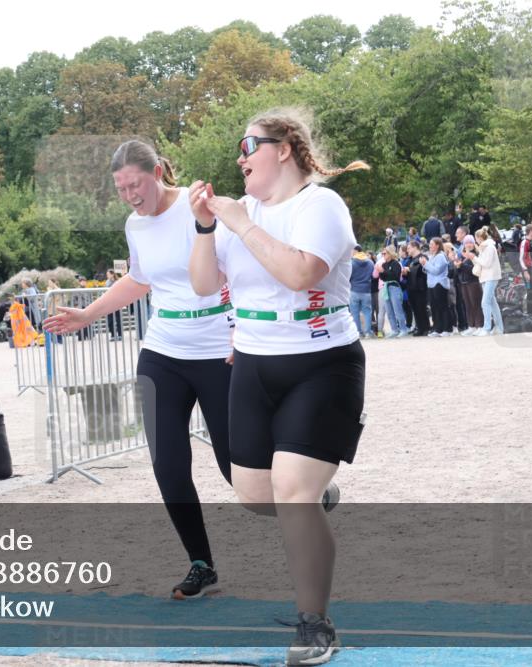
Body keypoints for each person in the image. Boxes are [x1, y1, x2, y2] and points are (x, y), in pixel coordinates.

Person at [188, 107, 368, 666]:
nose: (239, 158)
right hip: (253, 363)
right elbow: (203, 285)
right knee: (253, 494)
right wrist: (205, 227)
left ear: (283, 149)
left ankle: (316, 625)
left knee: (291, 493)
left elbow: (300, 273)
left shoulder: (320, 205)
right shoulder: (242, 216)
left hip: (321, 362)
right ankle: (316, 497)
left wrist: (240, 223)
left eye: (249, 146)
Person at [43, 140, 238, 602]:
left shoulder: (198, 205)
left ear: (157, 173)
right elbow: (140, 278)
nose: (130, 196)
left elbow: (239, 269)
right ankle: (201, 563)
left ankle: (302, 496)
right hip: (162, 351)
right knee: (167, 464)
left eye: (136, 185)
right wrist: (88, 314)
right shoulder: (135, 225)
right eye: (121, 189)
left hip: (218, 348)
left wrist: (242, 329)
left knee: (236, 465)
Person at [469, 226, 504, 335]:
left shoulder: (489, 247)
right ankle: (499, 327)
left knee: (485, 302)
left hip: (491, 276)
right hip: (486, 277)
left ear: (479, 238)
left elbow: (486, 263)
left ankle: (487, 328)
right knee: (492, 302)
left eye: (476, 238)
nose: (475, 240)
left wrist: (474, 258)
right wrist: (473, 258)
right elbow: (481, 263)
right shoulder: (484, 247)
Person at [420, 237, 451, 336]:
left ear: (437, 246)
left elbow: (436, 271)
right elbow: (428, 270)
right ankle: (438, 329)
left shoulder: (441, 256)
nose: (430, 246)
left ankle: (447, 329)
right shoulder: (432, 256)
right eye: (430, 244)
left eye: (432, 244)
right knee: (434, 307)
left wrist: (426, 264)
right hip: (431, 284)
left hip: (440, 284)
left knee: (442, 306)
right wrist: (424, 264)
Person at [377, 246, 410, 337]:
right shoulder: (384, 264)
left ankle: (403, 329)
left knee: (397, 309)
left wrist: (384, 272)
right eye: (382, 253)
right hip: (386, 287)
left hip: (394, 287)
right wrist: (381, 272)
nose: (383, 255)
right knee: (389, 311)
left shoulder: (396, 263)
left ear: (390, 253)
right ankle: (394, 330)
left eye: (385, 253)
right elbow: (383, 278)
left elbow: (395, 276)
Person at [454, 236, 483, 335]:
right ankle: (471, 326)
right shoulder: (463, 255)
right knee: (468, 305)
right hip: (464, 283)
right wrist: (458, 266)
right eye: (466, 243)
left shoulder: (476, 254)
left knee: (476, 304)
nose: (468, 245)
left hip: (473, 282)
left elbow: (473, 271)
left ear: (474, 244)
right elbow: (459, 271)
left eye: (470, 242)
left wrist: (461, 265)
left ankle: (479, 325)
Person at [405, 241, 430, 336]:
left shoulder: (423, 257)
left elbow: (422, 270)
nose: (407, 250)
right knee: (415, 309)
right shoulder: (410, 260)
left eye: (409, 248)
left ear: (415, 247)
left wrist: (409, 270)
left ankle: (426, 328)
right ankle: (420, 328)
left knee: (421, 308)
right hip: (411, 287)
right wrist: (405, 272)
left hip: (420, 287)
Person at [349, 246, 373, 338]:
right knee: (367, 312)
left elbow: (348, 277)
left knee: (354, 312)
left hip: (354, 290)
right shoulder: (370, 262)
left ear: (356, 250)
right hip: (366, 290)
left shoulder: (351, 263)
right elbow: (372, 275)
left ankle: (358, 332)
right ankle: (368, 332)